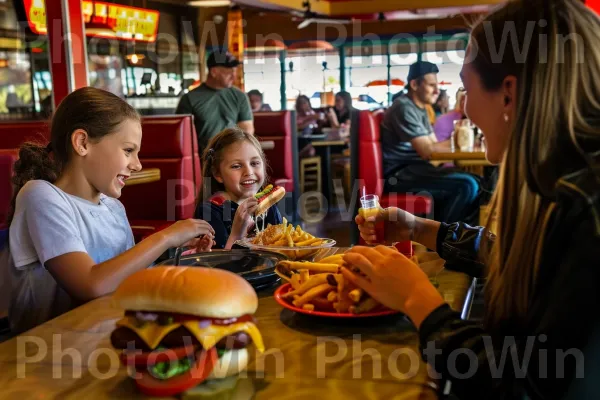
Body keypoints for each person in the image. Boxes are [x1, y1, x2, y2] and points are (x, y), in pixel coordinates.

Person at [346, 1, 600, 398]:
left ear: (509, 95)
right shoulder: (566, 184)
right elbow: (531, 264)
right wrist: (423, 228)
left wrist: (418, 299)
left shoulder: (583, 207)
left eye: (466, 85)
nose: (462, 104)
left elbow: (523, 386)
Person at [1, 87, 215, 334]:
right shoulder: (40, 195)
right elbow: (91, 285)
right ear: (82, 143)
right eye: (128, 150)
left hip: (104, 339)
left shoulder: (113, 207)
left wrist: (181, 255)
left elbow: (128, 283)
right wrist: (166, 237)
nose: (137, 164)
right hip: (44, 354)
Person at [381, 61, 481, 224]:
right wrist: (459, 139)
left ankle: (461, 239)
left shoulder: (420, 108)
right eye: (431, 85)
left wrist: (461, 138)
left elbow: (434, 146)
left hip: (416, 171)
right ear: (414, 84)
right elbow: (427, 152)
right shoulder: (403, 108)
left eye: (437, 85)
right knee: (467, 185)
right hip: (399, 175)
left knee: (478, 182)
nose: (437, 91)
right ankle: (441, 240)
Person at [195, 127, 282, 250]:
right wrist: (237, 233)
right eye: (236, 166)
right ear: (217, 174)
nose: (248, 172)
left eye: (254, 163)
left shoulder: (268, 205)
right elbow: (217, 264)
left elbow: (282, 245)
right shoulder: (210, 211)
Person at [175, 50, 254, 153]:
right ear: (214, 72)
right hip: (203, 159)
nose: (234, 77)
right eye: (229, 73)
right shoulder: (189, 99)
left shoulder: (240, 96)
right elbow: (182, 136)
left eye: (234, 71)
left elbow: (246, 131)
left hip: (233, 155)